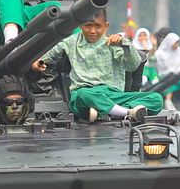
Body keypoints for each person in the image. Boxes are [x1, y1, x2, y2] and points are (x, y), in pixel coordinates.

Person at [32, 8, 162, 123]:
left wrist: (124, 44)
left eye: (98, 26)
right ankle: (126, 113)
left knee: (156, 99)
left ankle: (105, 111)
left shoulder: (113, 43)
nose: (93, 31)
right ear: (81, 25)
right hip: (84, 95)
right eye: (88, 26)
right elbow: (48, 55)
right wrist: (38, 62)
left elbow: (133, 66)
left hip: (112, 95)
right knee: (84, 95)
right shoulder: (70, 42)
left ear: (106, 26)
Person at [155, 32, 180, 111]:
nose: (177, 45)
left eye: (178, 43)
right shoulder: (160, 53)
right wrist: (172, 71)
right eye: (175, 43)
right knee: (170, 81)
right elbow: (161, 66)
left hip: (178, 74)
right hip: (165, 74)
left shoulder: (178, 51)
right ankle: (168, 101)